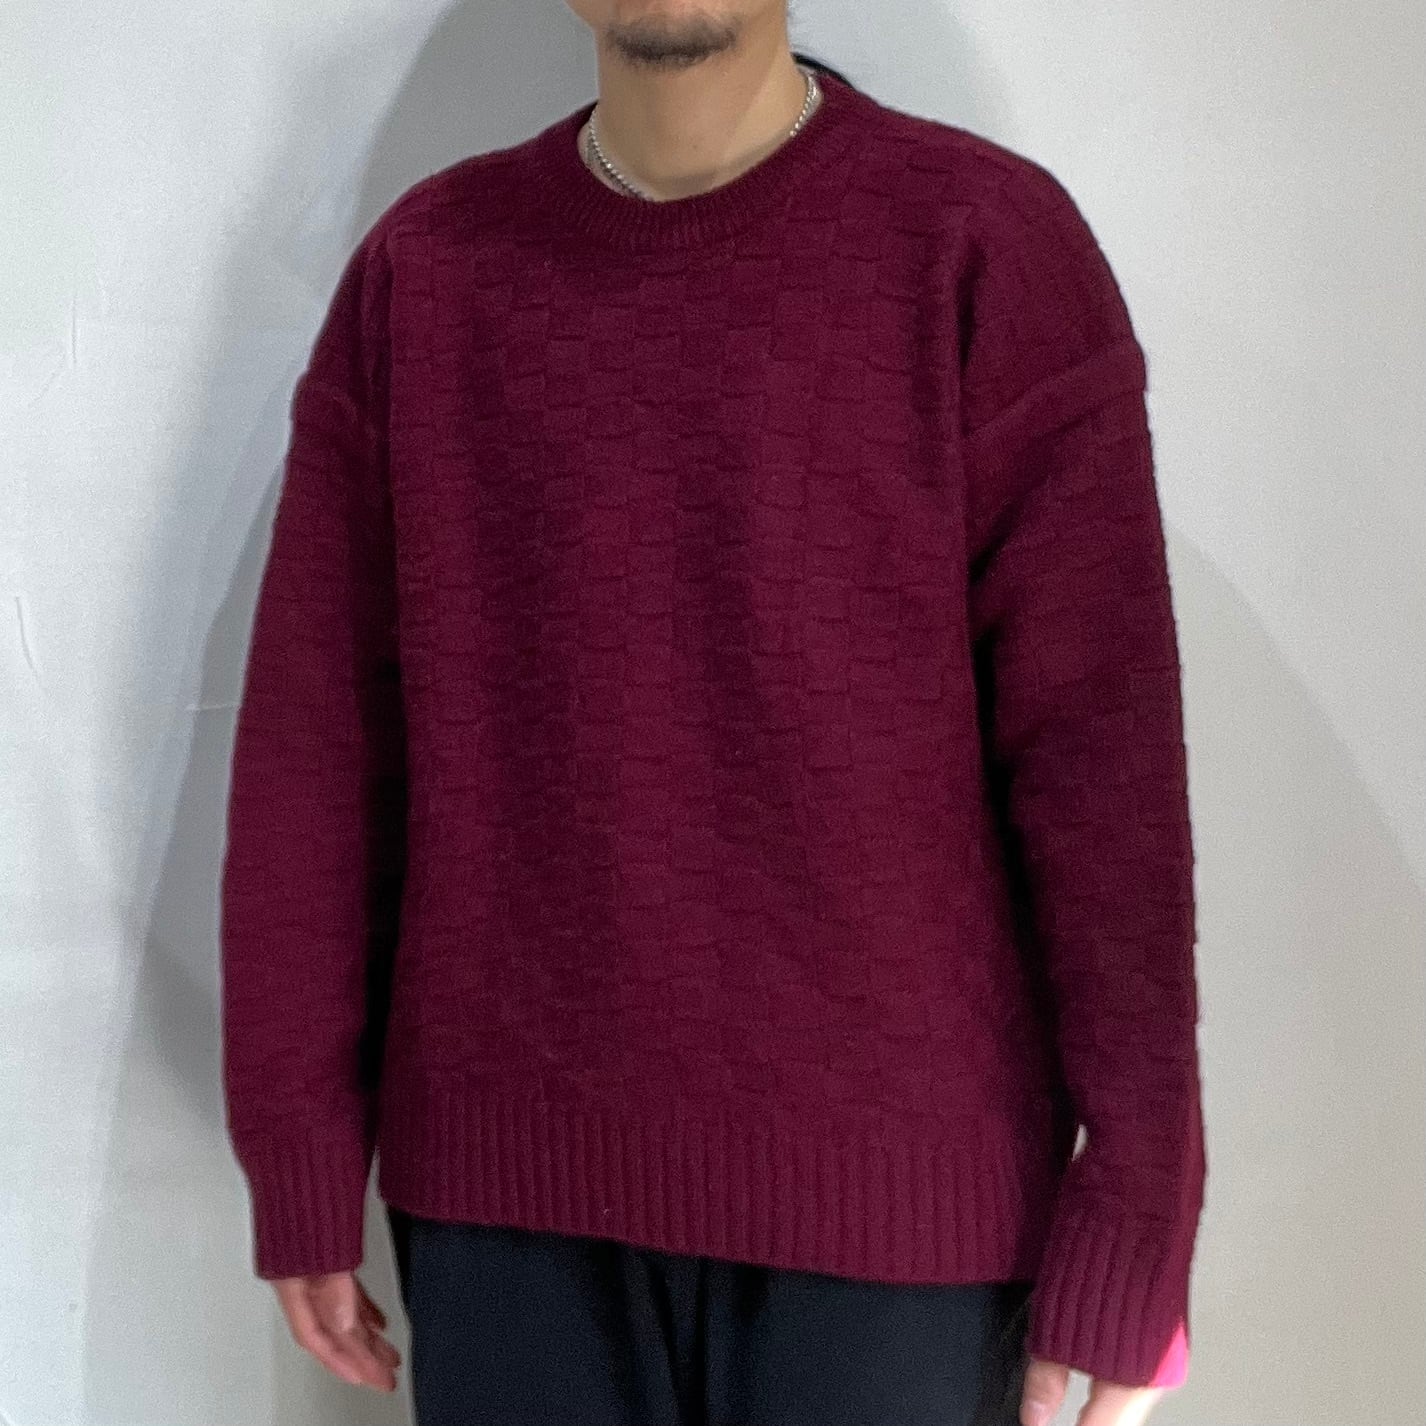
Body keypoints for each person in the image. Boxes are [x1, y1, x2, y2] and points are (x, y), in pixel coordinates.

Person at [218, 5, 1208, 1424]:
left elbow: (1102, 766)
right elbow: (321, 746)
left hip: (900, 1220)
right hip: (510, 1209)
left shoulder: (980, 246)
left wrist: (1139, 1196)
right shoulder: (428, 274)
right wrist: (300, 1139)